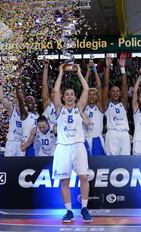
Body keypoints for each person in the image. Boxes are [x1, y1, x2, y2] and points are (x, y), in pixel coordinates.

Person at [51, 64, 92, 223]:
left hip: (78, 146)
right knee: (65, 181)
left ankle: (84, 208)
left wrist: (80, 73)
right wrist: (60, 71)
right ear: (63, 97)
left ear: (75, 97)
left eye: (71, 94)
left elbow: (87, 90)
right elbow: (55, 91)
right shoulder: (59, 108)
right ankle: (68, 211)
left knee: (83, 177)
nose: (69, 96)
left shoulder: (79, 108)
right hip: (63, 147)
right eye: (66, 94)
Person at [103, 54, 130, 155]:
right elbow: (105, 85)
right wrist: (107, 67)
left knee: (126, 160)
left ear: (120, 93)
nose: (115, 93)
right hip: (112, 133)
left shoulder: (123, 103)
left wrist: (122, 68)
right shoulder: (107, 104)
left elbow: (124, 85)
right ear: (110, 93)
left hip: (124, 134)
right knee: (112, 161)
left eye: (117, 91)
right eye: (113, 91)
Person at [84, 60, 105, 156]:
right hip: (85, 139)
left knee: (98, 165)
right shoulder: (83, 107)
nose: (91, 96)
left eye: (94, 95)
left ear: (97, 96)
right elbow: (84, 88)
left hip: (97, 139)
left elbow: (100, 87)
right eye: (89, 95)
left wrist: (95, 70)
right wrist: (88, 71)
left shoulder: (99, 107)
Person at [42, 60, 57, 125]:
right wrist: (46, 67)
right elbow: (44, 85)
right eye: (52, 92)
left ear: (61, 95)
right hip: (45, 134)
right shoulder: (47, 103)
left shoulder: (64, 107)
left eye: (56, 92)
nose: (54, 94)